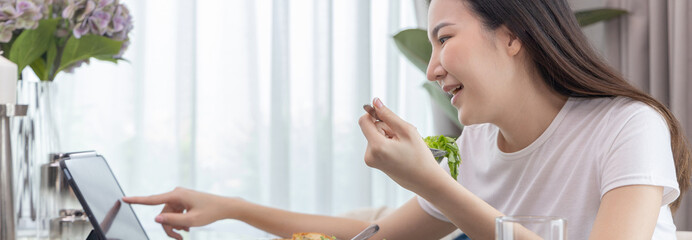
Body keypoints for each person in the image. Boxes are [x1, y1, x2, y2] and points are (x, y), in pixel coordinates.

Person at [123, 0, 692, 239]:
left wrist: (435, 185)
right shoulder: (481, 146)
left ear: (514, 35)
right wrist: (232, 209)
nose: (431, 68)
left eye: (444, 38)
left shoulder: (627, 127)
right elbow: (374, 237)